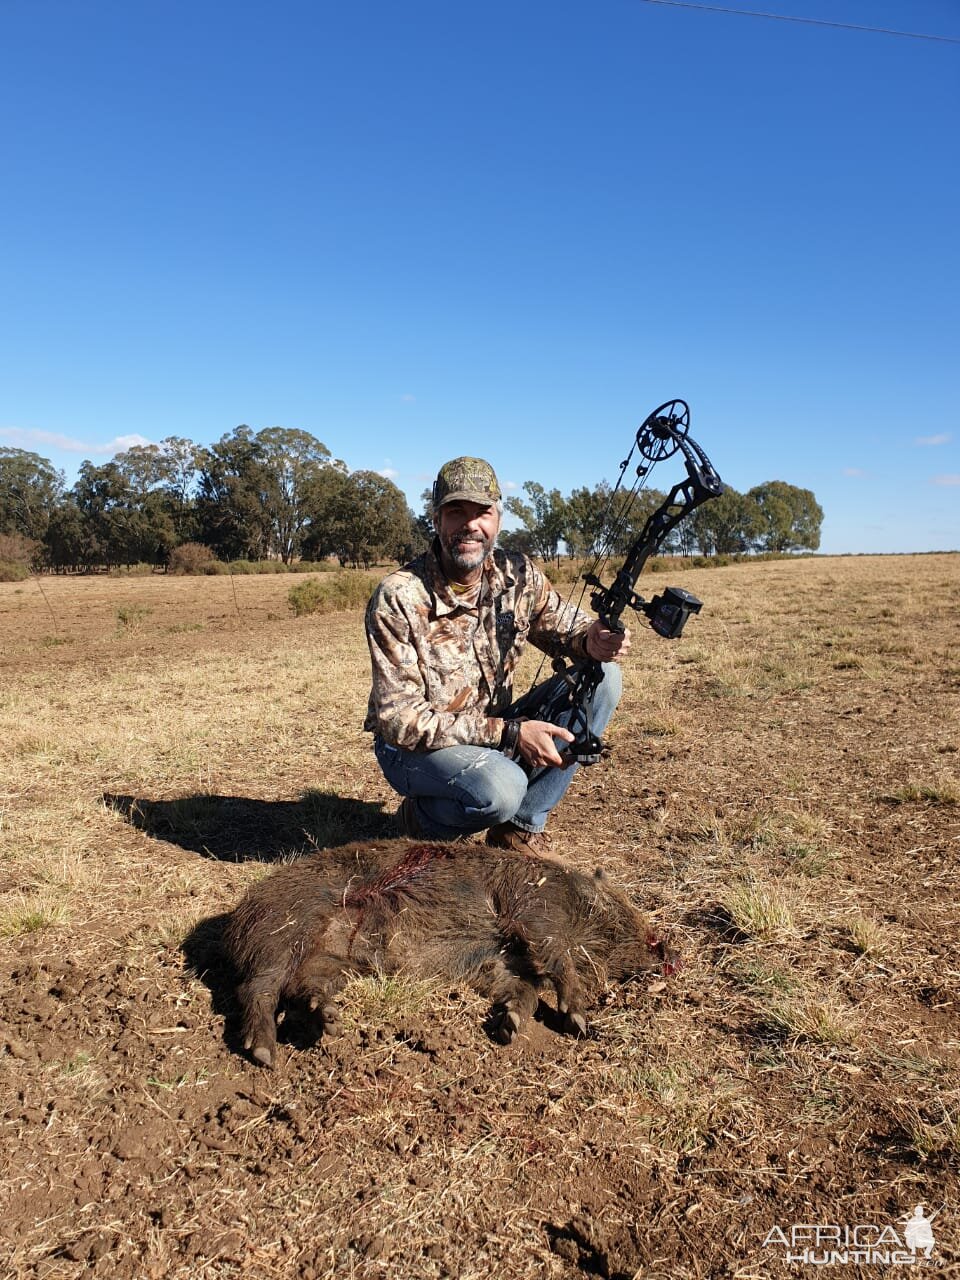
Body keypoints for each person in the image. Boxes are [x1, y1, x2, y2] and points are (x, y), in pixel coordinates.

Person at [363, 456, 630, 854]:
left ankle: (519, 828)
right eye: (456, 512)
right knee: (501, 789)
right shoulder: (399, 595)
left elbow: (565, 626)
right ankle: (418, 821)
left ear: (497, 520)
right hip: (413, 750)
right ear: (437, 520)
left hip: (496, 728)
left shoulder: (517, 574)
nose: (470, 524)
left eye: (482, 512)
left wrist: (592, 640)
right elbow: (399, 721)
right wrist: (510, 733)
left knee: (603, 678)